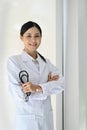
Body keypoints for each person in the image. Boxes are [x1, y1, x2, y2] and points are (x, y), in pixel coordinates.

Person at [7, 21, 64, 130]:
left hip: (46, 119)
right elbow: (19, 95)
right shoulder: (14, 61)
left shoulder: (46, 63)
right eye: (28, 36)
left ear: (41, 37)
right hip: (26, 121)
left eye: (37, 36)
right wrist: (47, 87)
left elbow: (62, 83)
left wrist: (37, 88)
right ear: (21, 37)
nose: (33, 40)